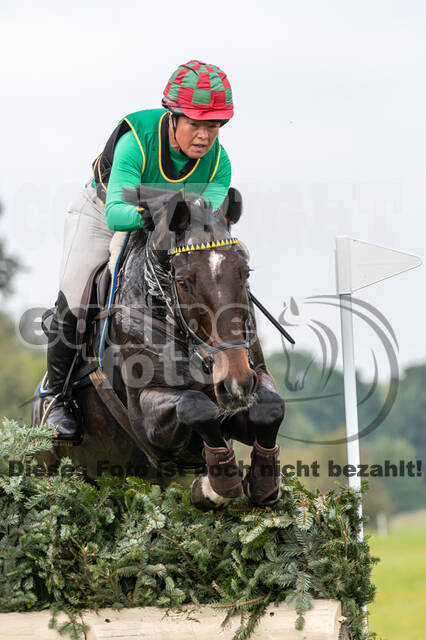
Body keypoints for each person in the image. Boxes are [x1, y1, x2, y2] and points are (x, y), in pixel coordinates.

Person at [44, 60, 234, 442]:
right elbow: (116, 213)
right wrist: (160, 211)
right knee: (78, 291)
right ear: (172, 115)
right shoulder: (136, 140)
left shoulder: (219, 164)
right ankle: (57, 397)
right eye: (195, 124)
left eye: (212, 125)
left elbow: (204, 225)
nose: (204, 136)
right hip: (101, 214)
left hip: (168, 229)